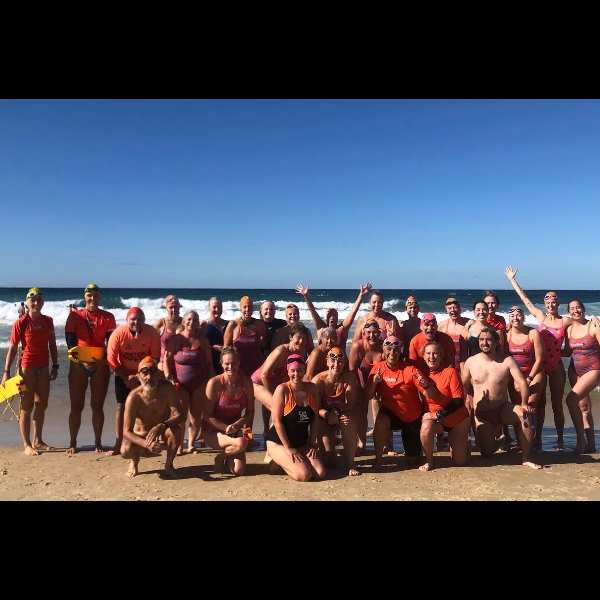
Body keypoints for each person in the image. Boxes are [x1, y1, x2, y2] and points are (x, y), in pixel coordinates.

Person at [505, 265, 598, 450]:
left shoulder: (566, 321)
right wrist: (512, 280)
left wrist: (594, 320)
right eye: (548, 303)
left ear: (558, 303)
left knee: (557, 405)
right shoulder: (541, 317)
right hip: (539, 366)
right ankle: (537, 438)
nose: (551, 305)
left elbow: (581, 323)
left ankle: (561, 440)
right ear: (545, 304)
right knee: (539, 404)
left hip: (556, 367)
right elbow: (525, 301)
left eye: (554, 302)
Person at [461, 327, 541, 469]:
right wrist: (463, 404)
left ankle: (526, 458)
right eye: (481, 340)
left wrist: (524, 403)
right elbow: (463, 386)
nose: (485, 343)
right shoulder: (471, 362)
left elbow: (522, 383)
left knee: (525, 415)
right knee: (486, 453)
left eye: (489, 340)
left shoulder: (507, 361)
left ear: (497, 342)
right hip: (482, 414)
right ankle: (498, 442)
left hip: (502, 408)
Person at [2, 288, 58, 456]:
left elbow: (52, 344)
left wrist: (55, 366)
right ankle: (27, 444)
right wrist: (6, 372)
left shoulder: (48, 321)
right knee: (26, 407)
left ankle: (38, 440)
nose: (36, 303)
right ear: (27, 302)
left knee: (42, 404)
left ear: (43, 302)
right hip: (27, 368)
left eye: (39, 300)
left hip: (44, 367)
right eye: (32, 300)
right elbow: (13, 348)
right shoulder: (21, 322)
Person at [366, 335, 434, 471]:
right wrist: (374, 383)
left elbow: (430, 395)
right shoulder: (378, 369)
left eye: (396, 350)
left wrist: (426, 386)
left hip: (411, 417)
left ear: (400, 352)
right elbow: (367, 396)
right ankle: (378, 460)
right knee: (380, 422)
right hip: (391, 414)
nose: (392, 353)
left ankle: (417, 450)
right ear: (383, 350)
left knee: (413, 461)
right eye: (389, 349)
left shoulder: (410, 370)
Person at [65, 283, 117, 454]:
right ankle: (72, 442)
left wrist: (102, 362)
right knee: (76, 406)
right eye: (89, 295)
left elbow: (111, 344)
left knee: (97, 406)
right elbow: (70, 344)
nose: (92, 298)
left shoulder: (108, 317)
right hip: (79, 364)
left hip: (99, 364)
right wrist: (81, 360)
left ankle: (98, 443)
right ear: (85, 296)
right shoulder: (75, 316)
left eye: (96, 295)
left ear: (100, 297)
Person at [106, 307, 161, 457]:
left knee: (148, 406)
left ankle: (149, 442)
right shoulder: (118, 333)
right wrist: (126, 378)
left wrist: (138, 377)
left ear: (144, 320)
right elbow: (111, 359)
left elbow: (155, 359)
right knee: (121, 407)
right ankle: (118, 443)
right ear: (127, 320)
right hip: (122, 374)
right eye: (133, 319)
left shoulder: (151, 333)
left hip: (145, 374)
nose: (136, 322)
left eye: (140, 319)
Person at [120, 357, 185, 479]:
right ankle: (134, 460)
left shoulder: (167, 389)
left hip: (161, 434)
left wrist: (162, 426)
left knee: (176, 430)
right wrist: (146, 444)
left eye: (153, 373)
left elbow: (180, 415)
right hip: (141, 437)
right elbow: (126, 432)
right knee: (125, 451)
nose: (149, 377)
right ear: (139, 376)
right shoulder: (133, 397)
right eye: (145, 373)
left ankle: (169, 465)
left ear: (159, 374)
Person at [265, 354, 326, 482]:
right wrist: (288, 448)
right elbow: (276, 421)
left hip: (301, 443)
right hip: (279, 443)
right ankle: (277, 461)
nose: (296, 374)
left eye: (299, 370)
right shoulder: (282, 389)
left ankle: (293, 461)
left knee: (320, 473)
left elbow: (315, 419)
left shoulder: (312, 388)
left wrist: (312, 444)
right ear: (288, 371)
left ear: (304, 370)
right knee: (304, 475)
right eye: (293, 370)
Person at [164, 310, 215, 455]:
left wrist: (214, 382)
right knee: (180, 416)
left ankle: (191, 444)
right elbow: (166, 360)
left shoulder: (203, 341)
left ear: (198, 323)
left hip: (200, 383)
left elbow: (209, 364)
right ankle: (180, 444)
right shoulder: (176, 340)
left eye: (194, 320)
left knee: (196, 415)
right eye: (189, 319)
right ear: (184, 321)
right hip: (180, 384)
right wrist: (169, 378)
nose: (191, 322)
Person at [203, 346, 256, 476]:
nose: (230, 367)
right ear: (221, 364)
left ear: (239, 362)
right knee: (241, 443)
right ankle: (220, 458)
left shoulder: (247, 382)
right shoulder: (214, 383)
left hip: (236, 429)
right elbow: (206, 415)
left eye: (234, 363)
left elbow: (250, 411)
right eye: (227, 364)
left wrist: (238, 425)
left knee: (239, 471)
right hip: (213, 431)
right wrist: (227, 428)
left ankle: (225, 456)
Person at [418, 342, 471, 471]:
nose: (432, 357)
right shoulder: (421, 375)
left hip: (457, 421)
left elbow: (458, 402)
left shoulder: (450, 372)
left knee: (460, 462)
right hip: (438, 423)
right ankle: (429, 461)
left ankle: (463, 441)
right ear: (423, 356)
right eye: (428, 353)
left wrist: (437, 415)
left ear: (441, 356)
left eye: (435, 353)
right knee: (425, 426)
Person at [252, 322, 309, 439]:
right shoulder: (281, 351)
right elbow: (264, 376)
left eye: (304, 339)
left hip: (275, 383)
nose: (301, 341)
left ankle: (270, 434)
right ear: (290, 337)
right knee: (277, 408)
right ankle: (274, 439)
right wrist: (275, 397)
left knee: (289, 408)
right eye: (298, 338)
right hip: (257, 382)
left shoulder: (302, 351)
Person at [312, 347, 360, 476]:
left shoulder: (348, 377)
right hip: (323, 417)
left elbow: (351, 404)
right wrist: (328, 415)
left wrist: (336, 411)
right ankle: (320, 449)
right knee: (330, 462)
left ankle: (351, 462)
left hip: (340, 413)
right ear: (327, 362)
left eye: (340, 362)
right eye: (333, 361)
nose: (336, 365)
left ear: (344, 363)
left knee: (348, 420)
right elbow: (315, 409)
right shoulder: (317, 381)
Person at [563, 300, 600, 454]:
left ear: (583, 309)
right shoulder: (569, 329)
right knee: (584, 407)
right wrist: (544, 354)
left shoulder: (594, 325)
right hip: (574, 370)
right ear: (569, 312)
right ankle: (591, 445)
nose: (576, 310)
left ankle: (581, 440)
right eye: (572, 308)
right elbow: (567, 352)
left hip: (593, 369)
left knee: (570, 400)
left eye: (578, 307)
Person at [506, 306, 545, 449]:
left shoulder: (533, 333)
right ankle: (520, 441)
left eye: (518, 315)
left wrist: (529, 379)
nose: (515, 318)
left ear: (523, 317)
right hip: (516, 376)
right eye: (512, 316)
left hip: (534, 374)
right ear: (509, 319)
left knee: (531, 407)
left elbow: (540, 359)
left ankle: (530, 441)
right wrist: (517, 380)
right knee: (518, 409)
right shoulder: (507, 335)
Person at [295, 282, 372, 349]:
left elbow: (353, 312)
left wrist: (361, 295)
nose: (332, 317)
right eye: (330, 315)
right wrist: (306, 296)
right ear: (327, 318)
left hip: (340, 360)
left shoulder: (342, 329)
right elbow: (313, 312)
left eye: (334, 315)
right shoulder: (321, 329)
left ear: (337, 319)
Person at [348, 318, 384, 455]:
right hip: (361, 381)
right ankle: (362, 442)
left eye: (375, 332)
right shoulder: (358, 346)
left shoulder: (383, 347)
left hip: (379, 382)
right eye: (368, 332)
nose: (372, 335)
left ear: (379, 333)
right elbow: (352, 371)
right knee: (361, 410)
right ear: (363, 334)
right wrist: (359, 391)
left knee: (383, 410)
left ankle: (386, 444)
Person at [258, 300, 287, 437]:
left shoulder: (281, 324)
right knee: (267, 400)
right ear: (261, 311)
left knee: (278, 398)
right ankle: (265, 428)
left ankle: (277, 427)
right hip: (263, 368)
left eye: (271, 309)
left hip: (279, 368)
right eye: (266, 309)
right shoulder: (257, 325)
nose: (268, 311)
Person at [223, 296, 268, 377]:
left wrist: (255, 345)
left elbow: (263, 336)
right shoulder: (233, 325)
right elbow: (226, 349)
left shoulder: (259, 324)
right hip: (238, 368)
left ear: (253, 309)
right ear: (240, 308)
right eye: (244, 307)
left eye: (250, 307)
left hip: (257, 367)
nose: (247, 310)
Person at [437, 297, 469, 371]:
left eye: (455, 307)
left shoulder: (468, 323)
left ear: (460, 309)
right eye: (449, 308)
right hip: (447, 368)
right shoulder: (442, 326)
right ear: (446, 310)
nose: (453, 310)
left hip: (465, 368)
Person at [153, 294, 183, 372]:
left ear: (179, 307)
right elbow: (152, 344)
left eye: (176, 307)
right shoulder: (160, 324)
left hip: (180, 365)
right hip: (163, 365)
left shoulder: (185, 323)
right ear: (166, 308)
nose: (174, 310)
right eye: (171, 307)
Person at [203, 296, 229, 376]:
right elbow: (198, 346)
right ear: (209, 308)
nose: (217, 309)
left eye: (219, 307)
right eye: (214, 307)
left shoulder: (228, 324)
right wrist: (213, 348)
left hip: (227, 365)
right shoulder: (204, 325)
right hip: (210, 363)